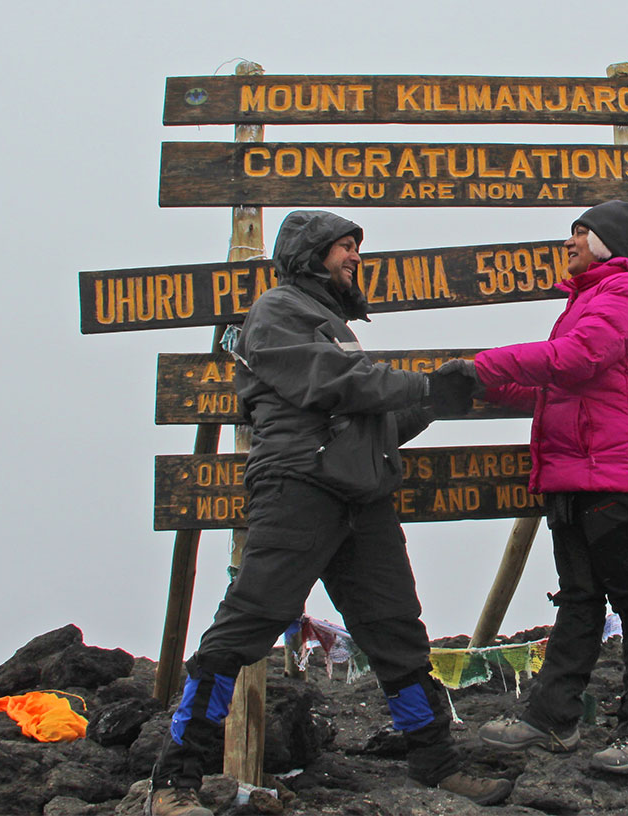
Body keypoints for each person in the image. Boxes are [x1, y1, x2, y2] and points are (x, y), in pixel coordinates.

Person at [146, 210, 511, 816]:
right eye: (345, 248)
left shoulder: (329, 322)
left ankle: (437, 764)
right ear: (310, 255)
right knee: (248, 625)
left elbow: (369, 415)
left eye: (355, 249)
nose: (355, 259)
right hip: (298, 488)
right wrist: (423, 386)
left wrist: (445, 395)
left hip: (358, 496)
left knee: (396, 630)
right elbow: (336, 382)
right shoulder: (277, 311)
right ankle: (173, 783)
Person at [441, 200, 628, 775]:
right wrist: (484, 387)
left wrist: (486, 367)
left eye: (578, 232)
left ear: (606, 241)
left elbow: (574, 360)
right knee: (578, 595)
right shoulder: (591, 298)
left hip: (613, 470)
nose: (568, 242)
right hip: (575, 470)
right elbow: (562, 386)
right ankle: (554, 717)